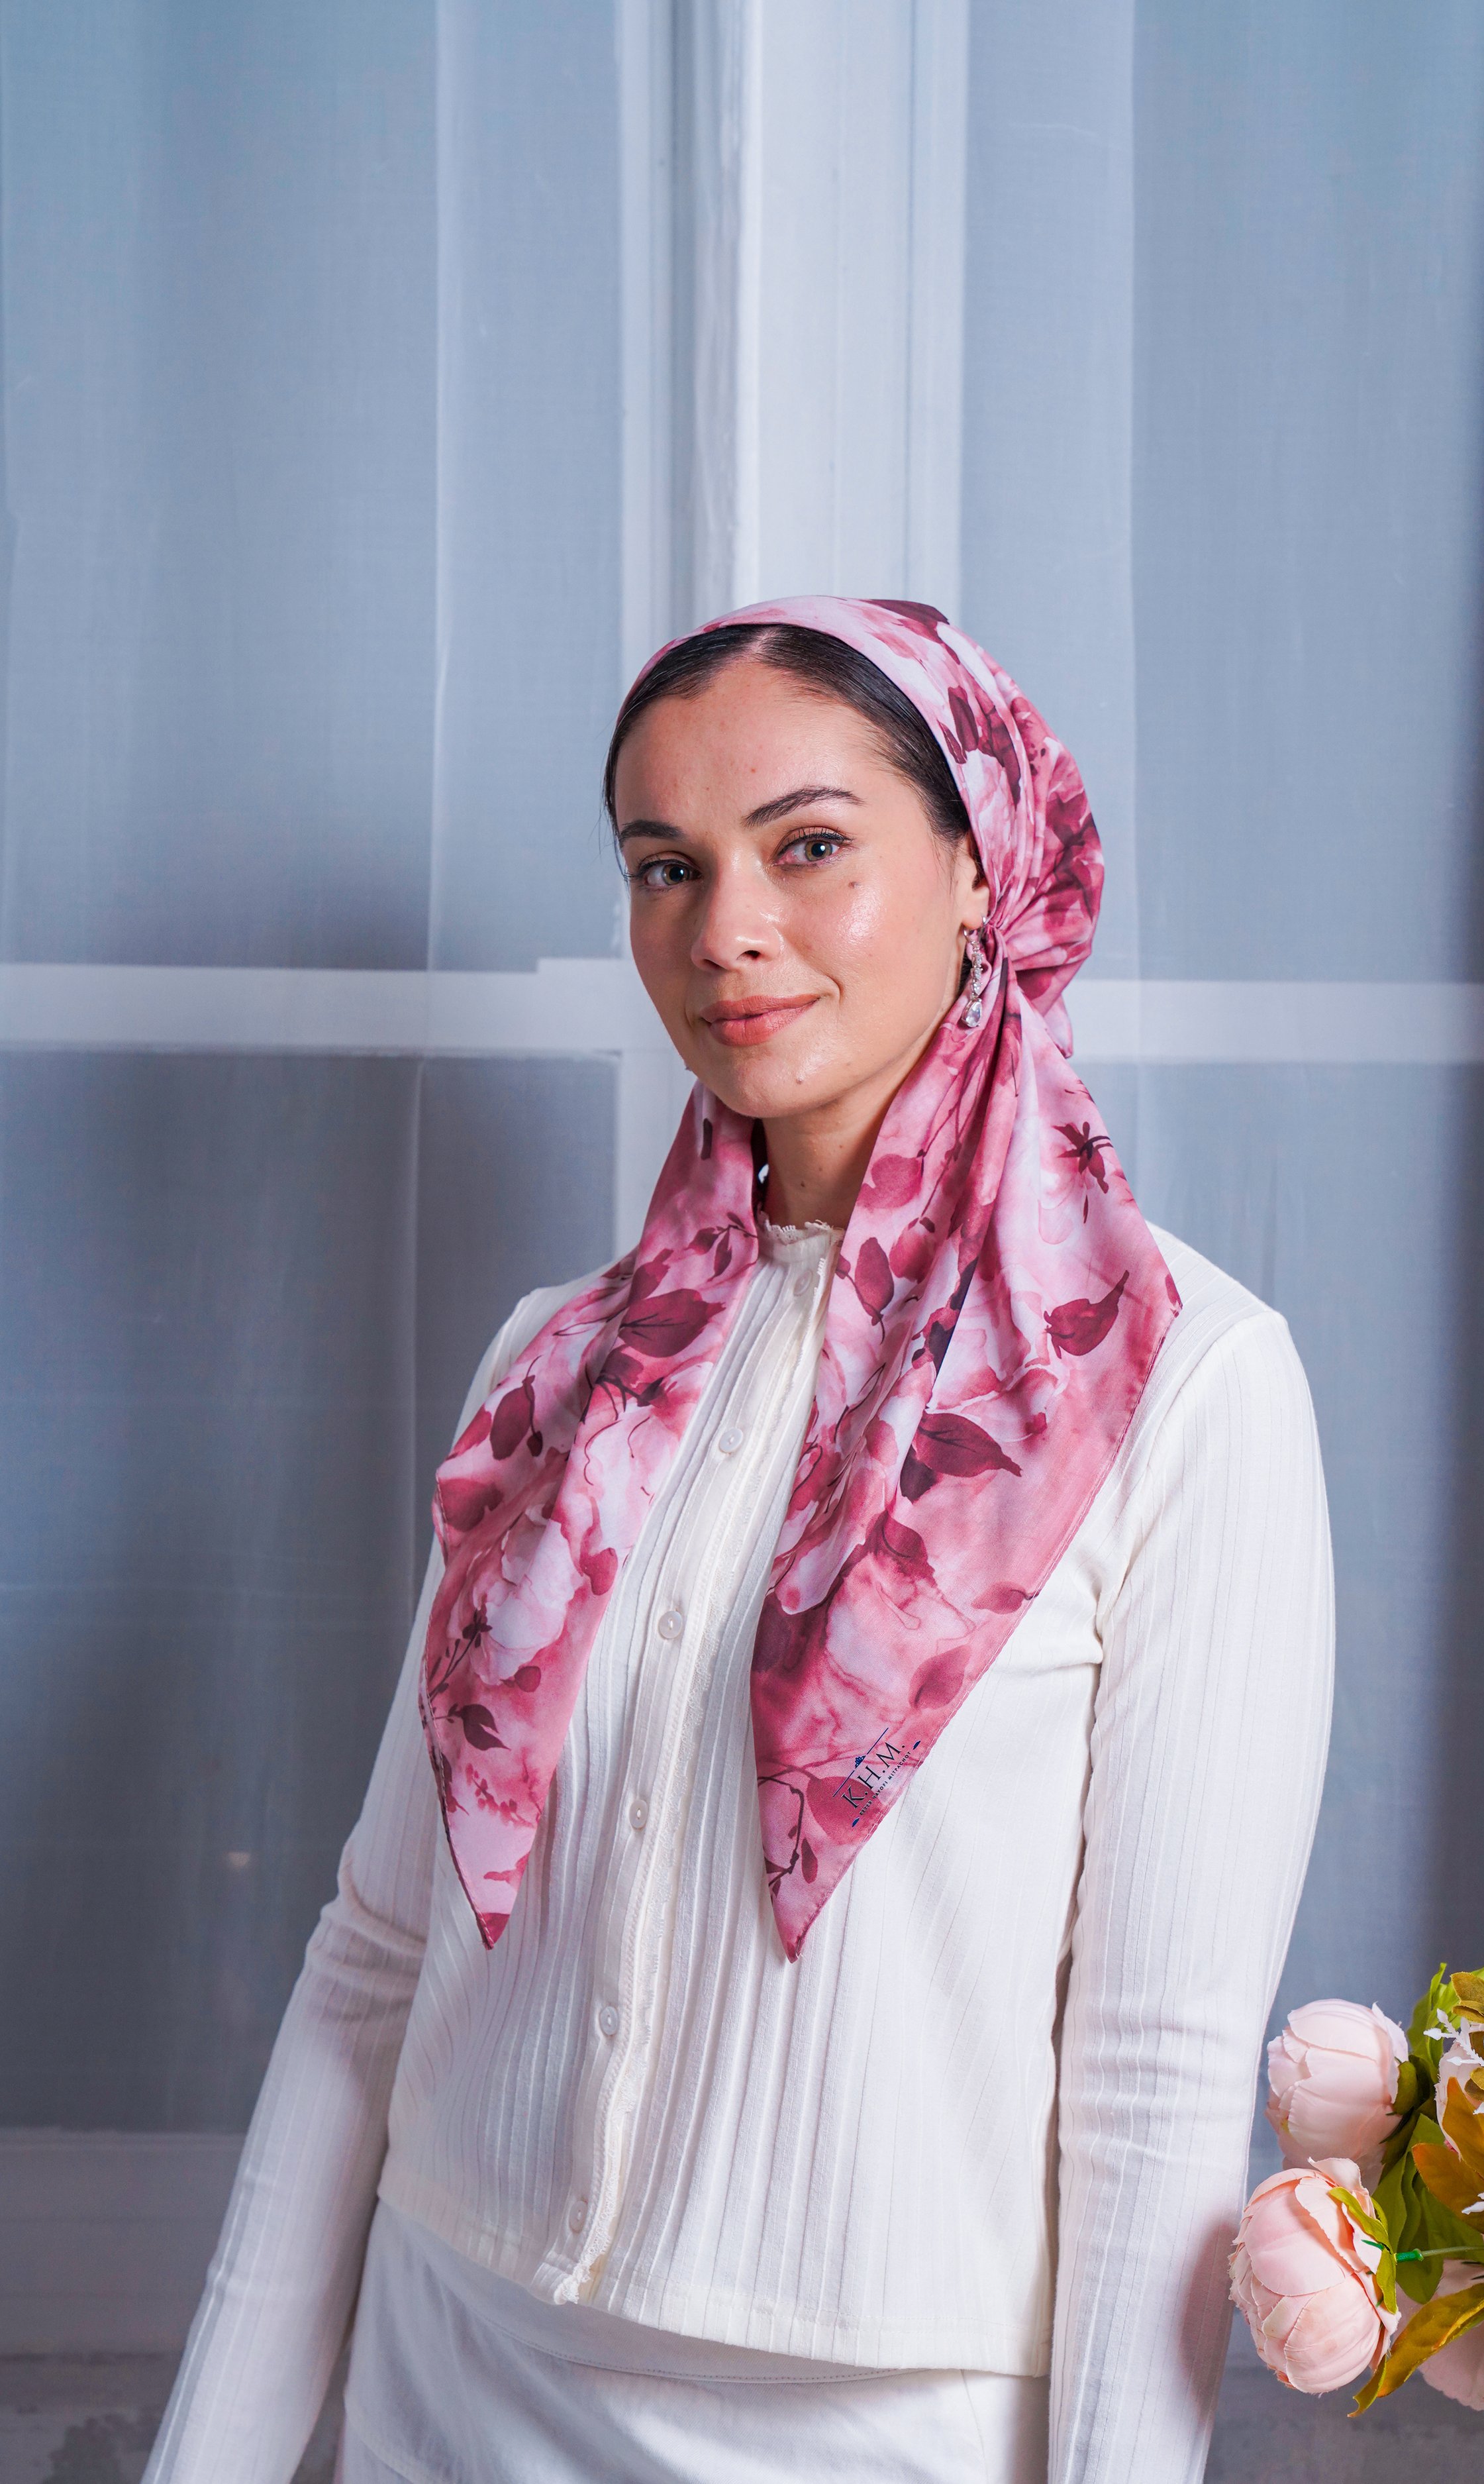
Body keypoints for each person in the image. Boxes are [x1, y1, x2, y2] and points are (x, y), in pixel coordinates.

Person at [143, 597, 1333, 2484]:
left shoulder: (1185, 1391)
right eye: (661, 867)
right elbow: (376, 1954)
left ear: (977, 864)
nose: (726, 933)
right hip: (453, 2379)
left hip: (888, 2435)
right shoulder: (556, 1366)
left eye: (807, 848)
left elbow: (1155, 2077)